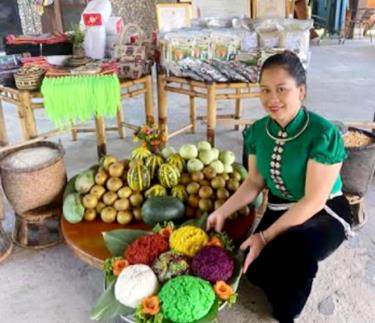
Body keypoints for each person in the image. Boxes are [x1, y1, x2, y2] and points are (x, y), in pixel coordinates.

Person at [207, 51, 353, 323]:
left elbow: (312, 201)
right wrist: (222, 211)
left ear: (301, 91)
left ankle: (289, 314)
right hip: (280, 206)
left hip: (324, 211)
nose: (272, 99)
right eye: (265, 90)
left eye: (281, 90)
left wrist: (265, 237)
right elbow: (254, 182)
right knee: (253, 268)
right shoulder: (258, 131)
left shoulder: (323, 135)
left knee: (293, 253)